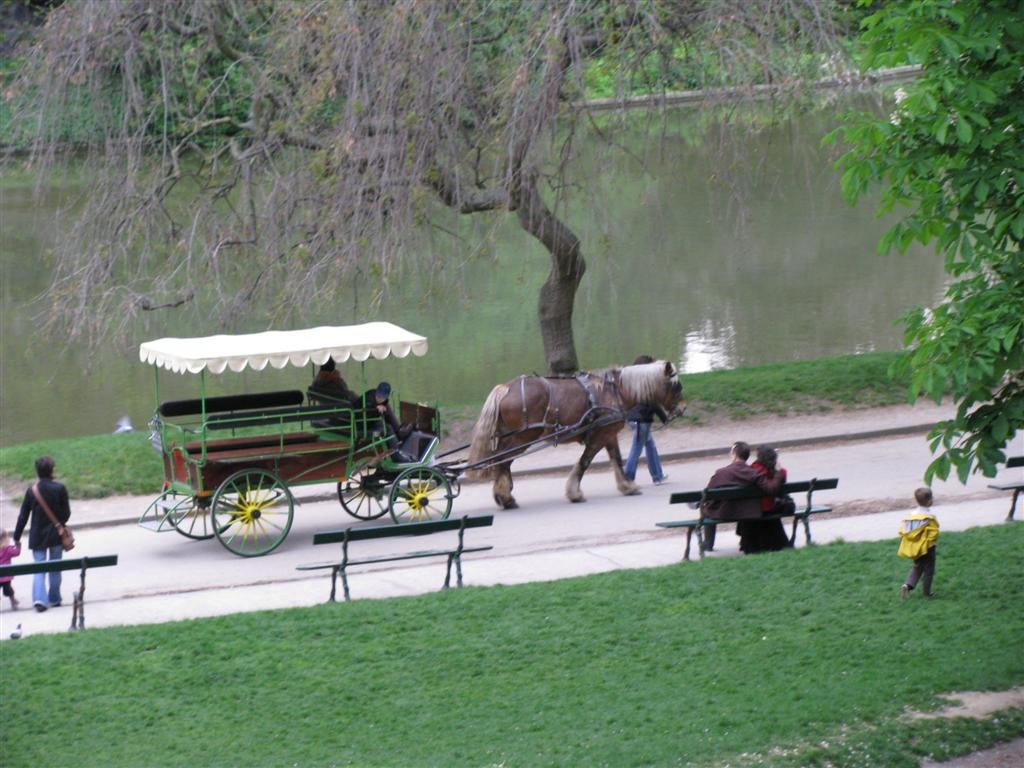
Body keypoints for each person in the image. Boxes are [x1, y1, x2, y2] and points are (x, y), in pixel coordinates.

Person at [703, 441, 785, 552]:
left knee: (704, 507)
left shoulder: (721, 473)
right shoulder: (754, 473)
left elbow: (708, 494)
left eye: (731, 452)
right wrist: (779, 472)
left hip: (724, 513)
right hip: (747, 513)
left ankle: (708, 544)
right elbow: (771, 489)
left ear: (734, 455)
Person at [13, 455, 71, 612]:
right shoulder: (60, 488)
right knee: (55, 567)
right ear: (52, 470)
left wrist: (16, 537)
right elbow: (66, 514)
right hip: (56, 535)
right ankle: (54, 598)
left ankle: (40, 600)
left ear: (37, 471)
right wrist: (59, 524)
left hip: (37, 536)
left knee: (39, 568)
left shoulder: (32, 491)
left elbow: (23, 516)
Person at [623, 354, 669, 486]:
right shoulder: (647, 383)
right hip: (641, 421)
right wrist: (664, 418)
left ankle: (657, 476)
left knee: (650, 446)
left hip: (634, 420)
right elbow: (653, 403)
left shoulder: (632, 381)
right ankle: (628, 478)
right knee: (636, 449)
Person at [744, 445, 795, 553]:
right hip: (771, 508)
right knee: (771, 510)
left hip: (757, 509)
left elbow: (770, 489)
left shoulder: (754, 470)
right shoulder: (780, 472)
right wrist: (778, 470)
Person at [898, 487, 939, 599]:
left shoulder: (911, 516)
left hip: (915, 549)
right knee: (929, 571)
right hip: (927, 548)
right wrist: (929, 543)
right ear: (929, 501)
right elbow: (934, 534)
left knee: (917, 567)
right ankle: (927, 592)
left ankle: (907, 585)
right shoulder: (930, 517)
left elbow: (904, 531)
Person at [359, 382, 413, 462]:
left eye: (382, 397)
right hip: (362, 423)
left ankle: (399, 433)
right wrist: (376, 408)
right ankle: (395, 454)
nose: (379, 398)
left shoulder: (371, 394)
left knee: (385, 412)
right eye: (379, 396)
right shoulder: (370, 398)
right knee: (387, 427)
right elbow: (365, 407)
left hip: (364, 419)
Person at [0, 529, 21, 610]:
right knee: (8, 590)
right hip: (6, 577)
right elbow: (17, 553)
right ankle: (13, 601)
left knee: (8, 589)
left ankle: (13, 600)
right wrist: (18, 545)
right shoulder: (7, 549)